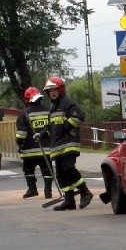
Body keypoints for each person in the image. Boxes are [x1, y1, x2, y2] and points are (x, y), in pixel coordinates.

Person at [37, 76, 93, 210]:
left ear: (60, 89)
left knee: (69, 169)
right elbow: (52, 126)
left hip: (69, 144)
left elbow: (79, 117)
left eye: (55, 90)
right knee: (61, 174)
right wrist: (42, 134)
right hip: (57, 146)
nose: (53, 93)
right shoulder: (53, 107)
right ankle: (69, 200)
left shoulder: (68, 103)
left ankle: (85, 192)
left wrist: (65, 126)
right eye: (50, 91)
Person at [16, 87, 53, 199]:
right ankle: (48, 191)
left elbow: (21, 133)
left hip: (29, 151)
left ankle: (32, 190)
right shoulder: (48, 111)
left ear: (27, 99)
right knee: (47, 170)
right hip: (46, 149)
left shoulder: (25, 113)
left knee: (28, 170)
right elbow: (52, 129)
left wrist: (19, 144)